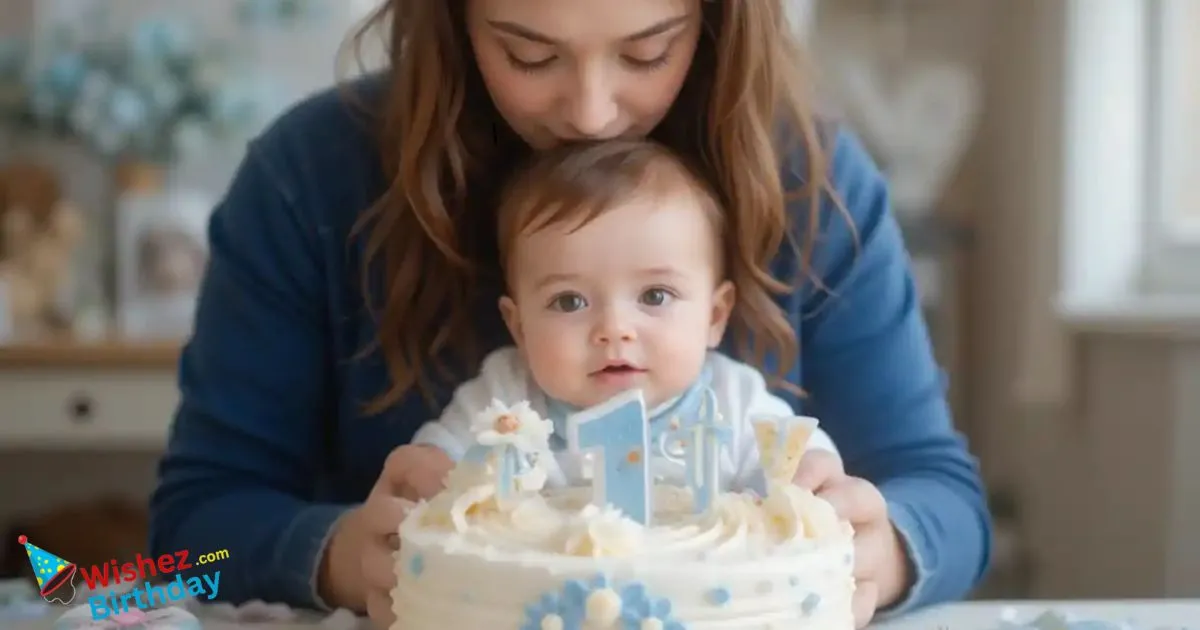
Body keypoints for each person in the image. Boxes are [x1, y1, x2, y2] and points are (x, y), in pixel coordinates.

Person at [147, 0, 993, 628]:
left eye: (647, 51)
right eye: (529, 54)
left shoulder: (813, 185)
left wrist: (872, 547)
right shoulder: (312, 180)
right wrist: (335, 557)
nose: (591, 113)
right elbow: (189, 540)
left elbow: (949, 504)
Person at [407, 139, 840, 495]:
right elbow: (430, 473)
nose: (614, 329)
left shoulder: (734, 404)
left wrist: (808, 485)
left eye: (655, 295)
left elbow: (806, 470)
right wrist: (432, 483)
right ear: (518, 326)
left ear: (714, 316)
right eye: (569, 302)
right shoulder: (505, 399)